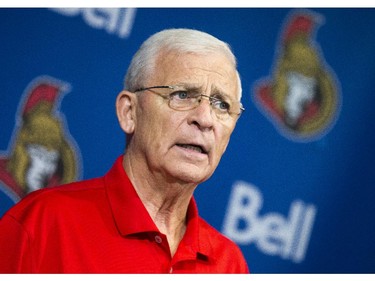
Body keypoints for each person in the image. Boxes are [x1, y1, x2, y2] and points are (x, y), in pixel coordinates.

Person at [0, 28, 249, 273]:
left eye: (221, 104)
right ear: (129, 112)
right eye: (182, 94)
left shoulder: (228, 265)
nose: (205, 119)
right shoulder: (41, 225)